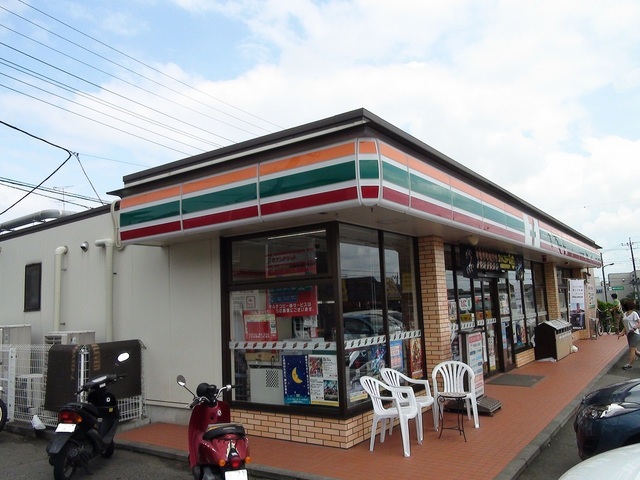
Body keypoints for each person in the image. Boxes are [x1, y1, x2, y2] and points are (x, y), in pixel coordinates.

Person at [621, 299, 640, 370]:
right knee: (635, 351)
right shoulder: (624, 314)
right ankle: (630, 363)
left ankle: (630, 364)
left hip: (634, 334)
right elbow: (625, 325)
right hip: (629, 334)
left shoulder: (634, 314)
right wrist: (622, 332)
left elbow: (639, 322)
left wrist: (634, 328)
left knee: (632, 349)